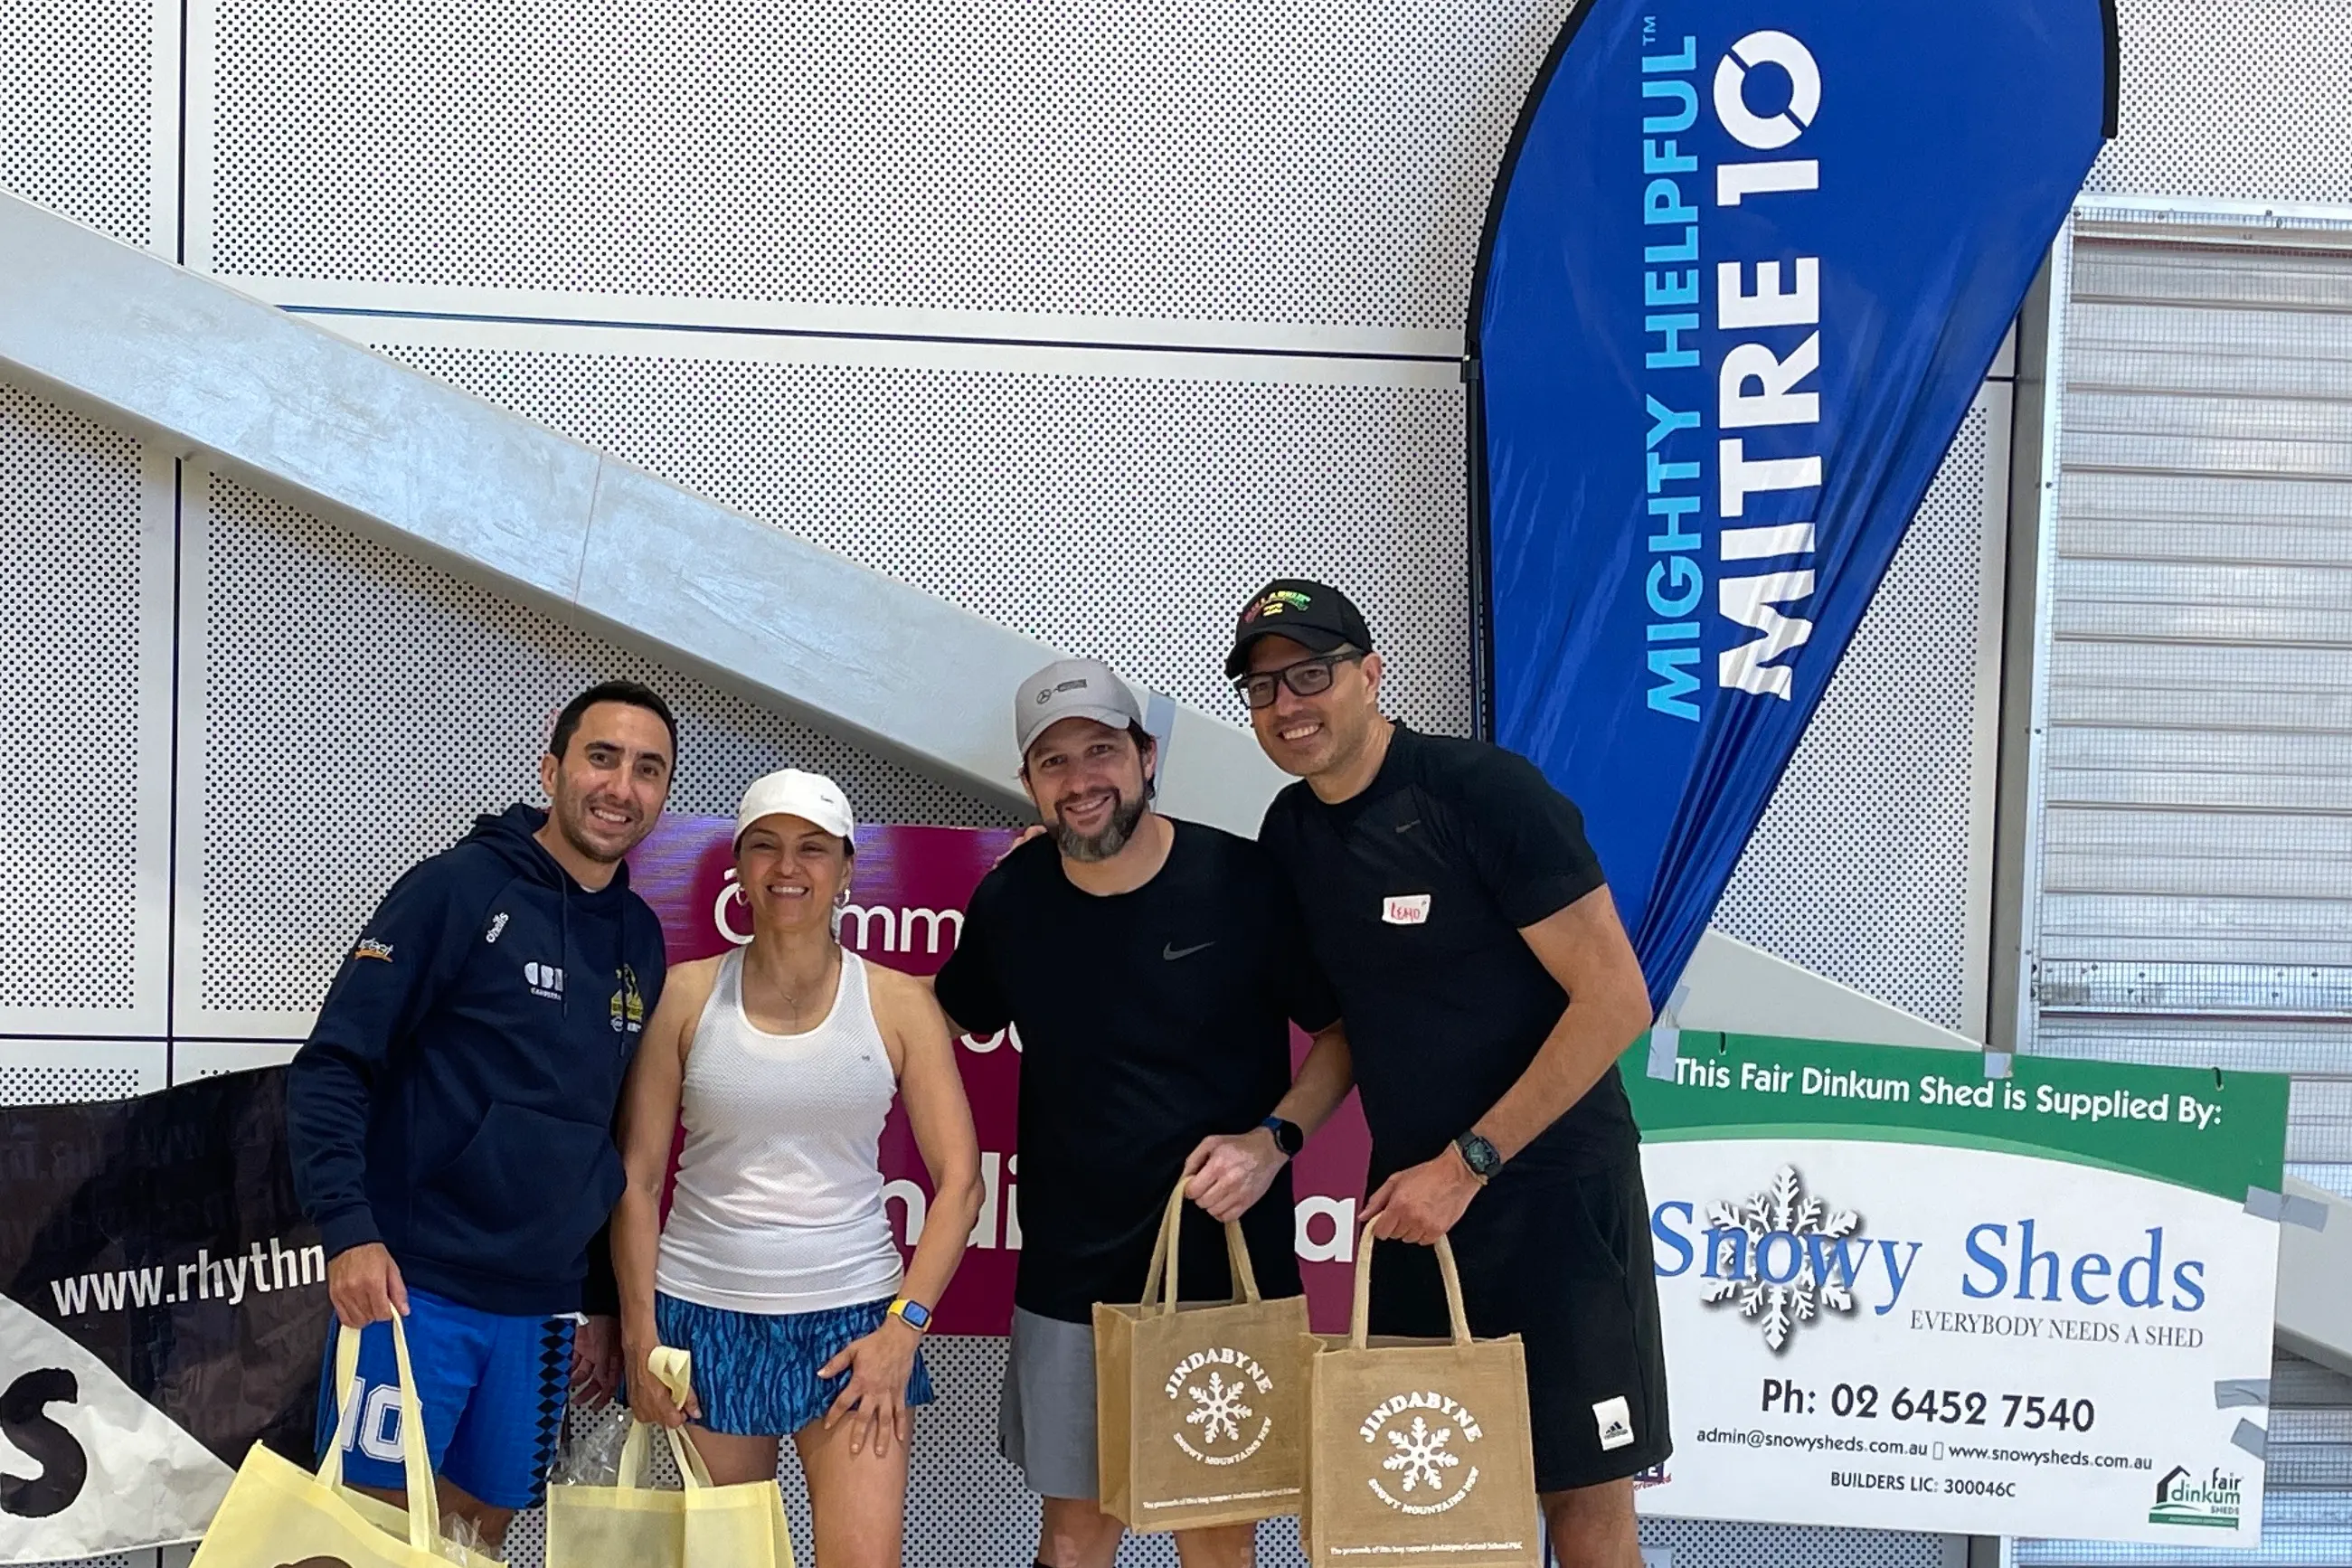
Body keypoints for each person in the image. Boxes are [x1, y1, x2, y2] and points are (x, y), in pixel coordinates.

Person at [1229, 581, 1665, 1568]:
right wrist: (1278, 1137)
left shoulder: (1482, 793)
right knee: (1431, 1512)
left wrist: (1468, 1163)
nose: (1288, 705)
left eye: (1310, 675)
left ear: (1370, 674)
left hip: (1549, 1199)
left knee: (1584, 1499)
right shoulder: (1292, 836)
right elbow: (1346, 1027)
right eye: (1263, 690)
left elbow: (1615, 1002)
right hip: (1414, 1215)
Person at [931, 657, 1353, 1568]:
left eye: (1099, 752)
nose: (1080, 782)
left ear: (1146, 754)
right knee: (1077, 1536)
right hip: (1069, 1275)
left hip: (1226, 1271)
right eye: (1054, 764)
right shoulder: (1011, 900)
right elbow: (947, 1018)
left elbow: (1341, 1035)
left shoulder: (1243, 882)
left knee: (1215, 1533)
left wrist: (1275, 1142)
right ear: (1029, 784)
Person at [288, 680, 678, 1552]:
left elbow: (606, 1139)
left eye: (647, 769)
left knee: (477, 1537)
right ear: (554, 768)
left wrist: (599, 1302)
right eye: (602, 757)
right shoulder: (457, 889)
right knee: (367, 1539)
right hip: (413, 1291)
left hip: (539, 1313)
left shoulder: (642, 942)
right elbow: (331, 1068)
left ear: (662, 794)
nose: (621, 786)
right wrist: (348, 1231)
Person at [611, 768, 982, 1568]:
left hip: (857, 1325)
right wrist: (642, 1336)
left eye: (813, 849)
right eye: (767, 848)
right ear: (739, 870)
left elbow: (961, 1182)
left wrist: (903, 1330)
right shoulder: (684, 996)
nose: (789, 868)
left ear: (846, 870)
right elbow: (637, 1181)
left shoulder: (896, 1002)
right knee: (726, 1562)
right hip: (703, 1321)